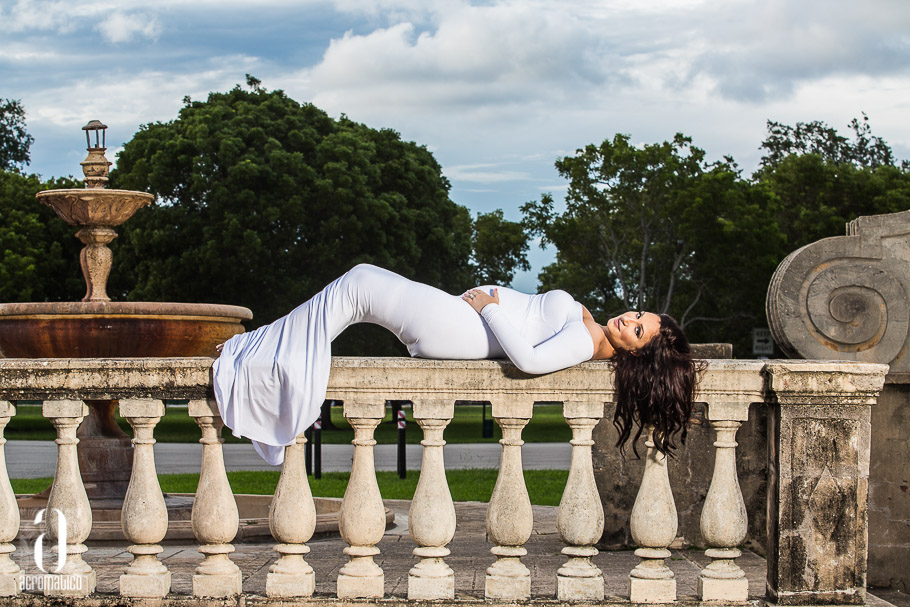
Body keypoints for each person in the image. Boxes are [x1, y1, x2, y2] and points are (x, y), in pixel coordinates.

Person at [213, 263, 697, 465]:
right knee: (354, 287)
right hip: (458, 324)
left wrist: (489, 307)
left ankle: (258, 360)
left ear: (638, 353)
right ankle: (259, 355)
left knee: (358, 281)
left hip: (464, 329)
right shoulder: (591, 329)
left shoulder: (583, 341)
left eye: (637, 329)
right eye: (637, 313)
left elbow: (526, 360)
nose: (627, 319)